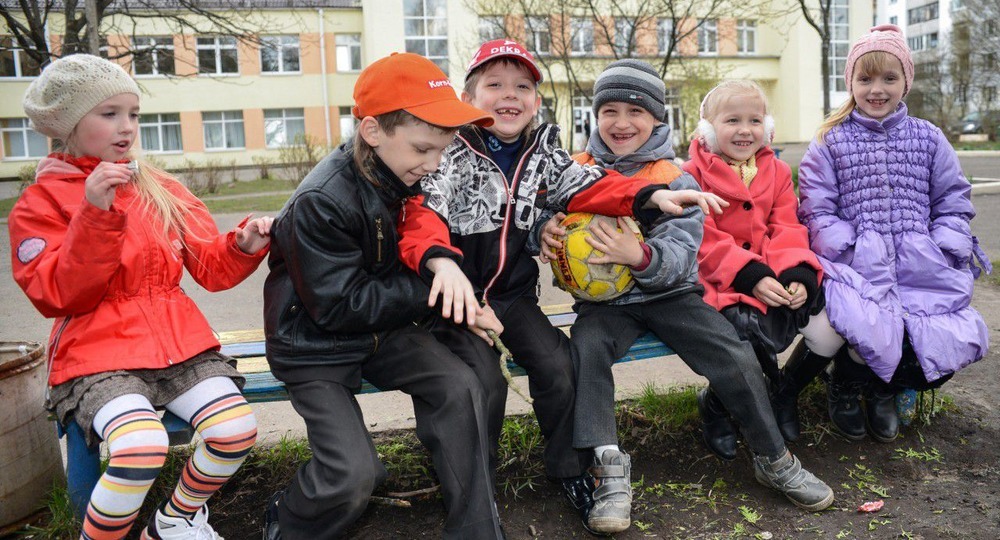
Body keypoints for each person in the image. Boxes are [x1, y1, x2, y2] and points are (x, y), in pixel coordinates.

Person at [395, 40, 728, 529]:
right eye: (495, 85)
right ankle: (475, 485)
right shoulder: (449, 151)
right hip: (454, 301)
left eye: (523, 86)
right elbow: (421, 218)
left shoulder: (543, 153)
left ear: (537, 99)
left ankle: (568, 470)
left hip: (511, 297)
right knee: (482, 384)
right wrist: (441, 264)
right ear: (468, 95)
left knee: (559, 365)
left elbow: (594, 185)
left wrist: (654, 194)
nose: (510, 96)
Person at [533, 61, 836, 532]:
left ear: (657, 119)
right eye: (608, 110)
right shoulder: (578, 172)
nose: (621, 122)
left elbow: (682, 254)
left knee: (734, 354)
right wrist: (543, 230)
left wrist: (640, 255)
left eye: (636, 110)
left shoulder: (675, 177)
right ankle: (608, 470)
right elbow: (540, 217)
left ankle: (773, 457)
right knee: (586, 352)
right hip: (605, 306)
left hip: (670, 295)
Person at [9, 54, 269, 540]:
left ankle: (173, 522)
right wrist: (94, 213)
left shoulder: (161, 187)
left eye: (133, 114)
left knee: (235, 431)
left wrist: (242, 244)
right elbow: (60, 293)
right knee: (140, 447)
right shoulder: (39, 203)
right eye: (109, 114)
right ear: (68, 124)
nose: (126, 127)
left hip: (179, 348)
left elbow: (209, 267)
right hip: (97, 356)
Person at [261, 52, 507, 540]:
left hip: (379, 334)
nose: (434, 164)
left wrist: (456, 287)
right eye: (423, 149)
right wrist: (434, 289)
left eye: (443, 150)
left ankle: (477, 531)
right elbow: (338, 307)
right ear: (373, 132)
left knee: (461, 387)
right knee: (355, 476)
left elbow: (418, 234)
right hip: (314, 347)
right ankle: (288, 522)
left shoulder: (396, 173)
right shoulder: (322, 202)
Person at [797, 25, 991, 442]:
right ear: (850, 82)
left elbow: (952, 199)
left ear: (906, 80)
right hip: (857, 262)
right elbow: (817, 209)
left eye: (889, 77)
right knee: (865, 323)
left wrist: (946, 245)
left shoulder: (929, 137)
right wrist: (849, 249)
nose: (877, 89)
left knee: (949, 333)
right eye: (865, 79)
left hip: (922, 258)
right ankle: (847, 387)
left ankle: (884, 390)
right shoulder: (830, 141)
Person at [683, 79, 846, 454]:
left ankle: (783, 393)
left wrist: (796, 274)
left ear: (767, 127)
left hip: (774, 277)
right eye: (732, 120)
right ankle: (718, 407)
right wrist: (749, 274)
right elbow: (700, 238)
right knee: (742, 340)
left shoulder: (774, 171)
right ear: (708, 128)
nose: (745, 130)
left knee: (830, 326)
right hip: (720, 282)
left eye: (754, 120)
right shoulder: (690, 174)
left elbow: (786, 226)